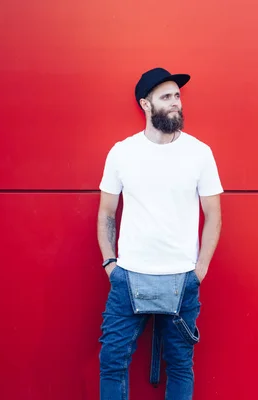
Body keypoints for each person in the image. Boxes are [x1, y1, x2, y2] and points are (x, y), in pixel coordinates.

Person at [96, 67, 223, 400]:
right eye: (166, 97)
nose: (176, 103)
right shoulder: (122, 153)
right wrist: (111, 264)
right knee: (112, 361)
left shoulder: (200, 153)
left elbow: (213, 215)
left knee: (180, 365)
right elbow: (106, 212)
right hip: (128, 277)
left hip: (182, 279)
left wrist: (200, 269)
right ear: (145, 104)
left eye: (177, 96)